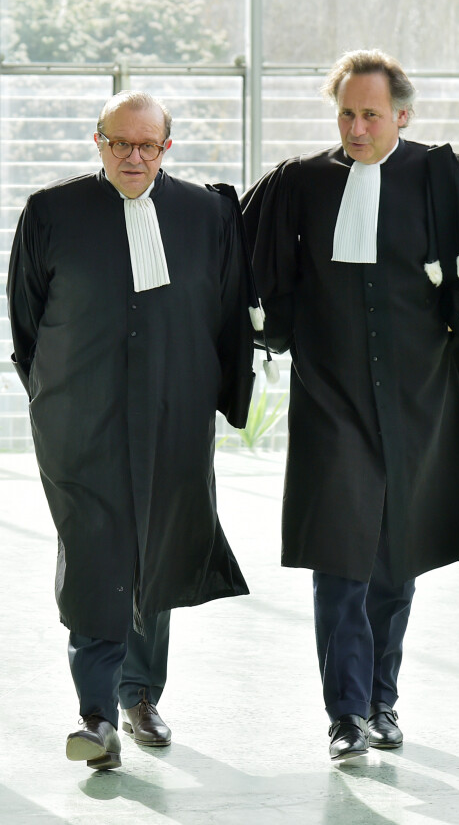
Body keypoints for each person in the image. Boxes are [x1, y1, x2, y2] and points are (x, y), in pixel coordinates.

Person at [241, 49, 459, 761]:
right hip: (329, 394)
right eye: (346, 113)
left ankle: (381, 701)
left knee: (396, 557)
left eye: (370, 114)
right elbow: (256, 258)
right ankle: (344, 715)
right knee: (339, 556)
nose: (357, 127)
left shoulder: (442, 177)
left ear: (402, 114)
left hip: (420, 391)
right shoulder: (301, 183)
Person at [7, 91, 256, 770]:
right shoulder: (50, 213)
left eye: (149, 144)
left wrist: (222, 399)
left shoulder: (206, 215)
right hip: (78, 421)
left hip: (174, 417)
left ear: (167, 148)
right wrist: (57, 398)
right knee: (95, 553)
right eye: (121, 143)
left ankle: (139, 696)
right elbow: (25, 323)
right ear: (98, 142)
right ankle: (95, 714)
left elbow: (228, 314)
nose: (135, 156)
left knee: (157, 547)